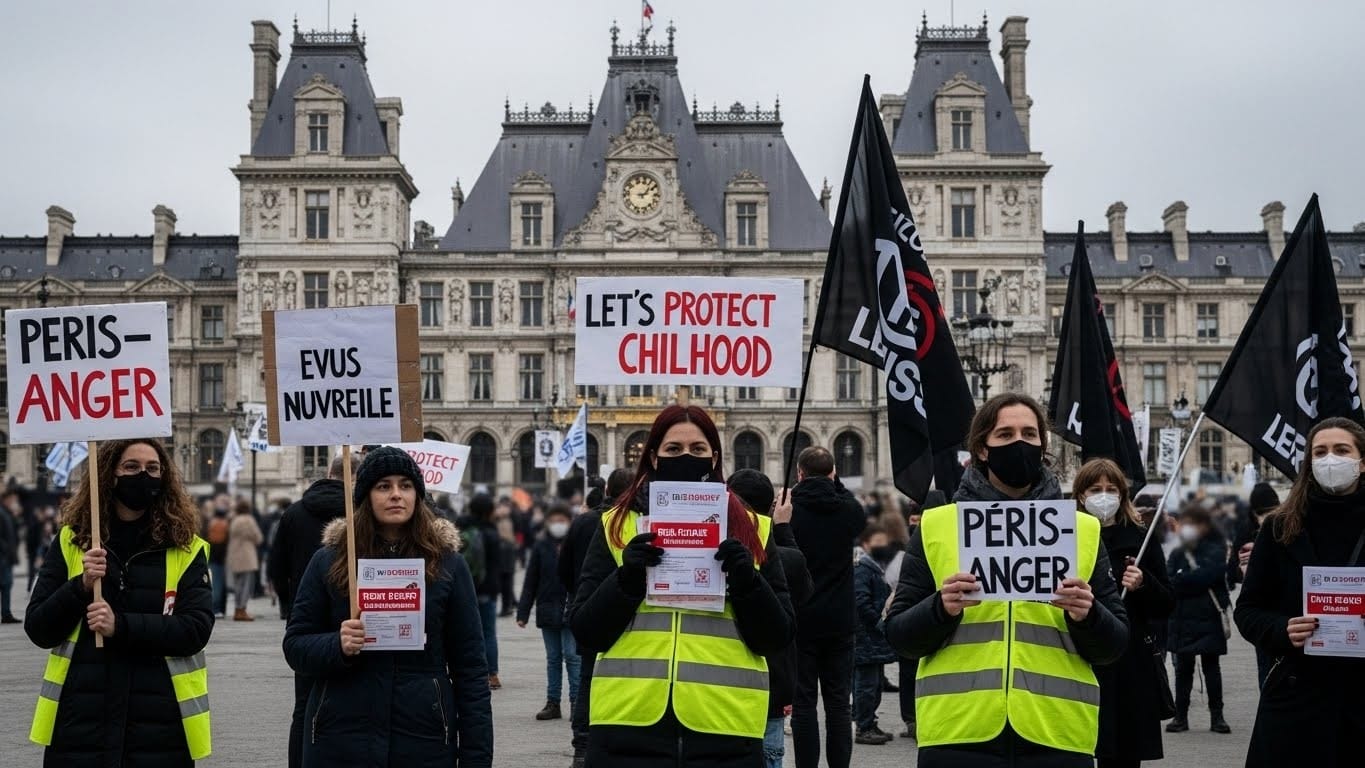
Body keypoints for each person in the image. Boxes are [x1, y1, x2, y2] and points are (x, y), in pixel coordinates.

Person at [885, 392, 1128, 768]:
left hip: (1056, 734)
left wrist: (1089, 615)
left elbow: (1114, 645)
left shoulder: (1082, 530)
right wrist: (940, 608)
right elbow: (899, 637)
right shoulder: (938, 525)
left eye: (1030, 434)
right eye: (1005, 434)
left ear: (1043, 446)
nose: (1019, 443)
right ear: (982, 449)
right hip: (958, 735)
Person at [571, 404, 794, 768]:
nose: (686, 457)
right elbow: (585, 631)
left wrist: (747, 582)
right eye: (673, 449)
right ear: (654, 457)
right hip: (628, 723)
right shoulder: (616, 525)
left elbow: (777, 636)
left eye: (697, 449)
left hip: (725, 725)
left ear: (714, 457)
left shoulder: (754, 527)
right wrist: (626, 579)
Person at [283, 446, 493, 767]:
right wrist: (337, 644)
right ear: (366, 496)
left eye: (405, 485)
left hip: (422, 738)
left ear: (417, 495)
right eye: (384, 486)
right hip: (340, 737)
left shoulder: (448, 564)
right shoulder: (330, 560)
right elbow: (296, 646)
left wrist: (476, 759)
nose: (396, 494)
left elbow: (471, 670)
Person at [25, 439, 214, 766]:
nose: (143, 475)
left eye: (152, 468)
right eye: (131, 467)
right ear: (109, 475)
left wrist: (120, 626)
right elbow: (39, 628)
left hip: (158, 724)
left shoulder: (185, 548)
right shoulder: (73, 540)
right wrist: (80, 586)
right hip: (81, 721)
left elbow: (195, 630)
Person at [1235, 417, 1365, 767]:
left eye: (1341, 450)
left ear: (1362, 461)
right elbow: (1247, 610)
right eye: (1320, 452)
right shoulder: (1279, 527)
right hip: (1297, 697)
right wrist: (1282, 628)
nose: (1330, 459)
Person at [1073, 458, 1174, 768]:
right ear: (1081, 495)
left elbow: (1167, 604)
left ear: (1122, 495)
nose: (1104, 496)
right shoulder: (1067, 537)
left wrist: (1144, 584)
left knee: (1123, 754)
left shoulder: (1141, 538)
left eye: (1111, 489)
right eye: (1095, 489)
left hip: (1129, 664)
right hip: (1079, 657)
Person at [265, 455, 350, 768]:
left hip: (305, 618)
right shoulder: (360, 511)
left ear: (328, 473)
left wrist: (291, 604)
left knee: (304, 704)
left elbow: (276, 566)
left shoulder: (294, 512)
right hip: (352, 618)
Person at [787, 445, 867, 768]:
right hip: (839, 619)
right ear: (834, 474)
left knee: (804, 703)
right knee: (838, 704)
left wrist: (794, 491)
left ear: (800, 474)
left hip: (802, 618)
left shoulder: (790, 510)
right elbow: (856, 511)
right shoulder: (848, 510)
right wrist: (834, 482)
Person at [728, 468, 813, 768]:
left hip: (726, 687)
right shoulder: (787, 558)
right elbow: (804, 589)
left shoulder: (718, 552)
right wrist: (782, 527)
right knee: (770, 755)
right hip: (773, 685)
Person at [559, 467, 634, 768]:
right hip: (626, 615)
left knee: (588, 678)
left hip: (588, 609)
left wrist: (578, 592)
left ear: (606, 491)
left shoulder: (584, 521)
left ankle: (582, 744)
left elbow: (563, 567)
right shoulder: (636, 522)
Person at [1164, 503, 1231, 735]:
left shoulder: (1215, 548)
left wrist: (1184, 578)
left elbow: (1207, 576)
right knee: (1183, 670)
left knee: (1211, 668)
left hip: (1208, 617)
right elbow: (1170, 582)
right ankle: (1180, 716)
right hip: (1182, 619)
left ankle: (1217, 716)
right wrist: (1187, 579)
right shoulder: (1178, 551)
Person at [516, 502, 581, 721]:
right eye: (553, 521)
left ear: (569, 522)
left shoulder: (576, 544)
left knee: (572, 656)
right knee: (553, 658)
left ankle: (576, 702)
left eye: (561, 520)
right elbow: (531, 580)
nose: (557, 524)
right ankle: (553, 703)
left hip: (571, 608)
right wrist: (523, 612)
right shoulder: (541, 545)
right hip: (547, 608)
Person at [1227, 481, 1280, 688]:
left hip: (1281, 609)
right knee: (1267, 668)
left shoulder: (1286, 525)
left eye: (1270, 511)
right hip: (1263, 611)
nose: (1266, 517)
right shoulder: (1246, 531)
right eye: (1262, 513)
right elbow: (1234, 570)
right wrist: (1244, 568)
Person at [852, 524, 898, 745]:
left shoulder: (879, 569)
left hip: (874, 639)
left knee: (876, 684)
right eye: (877, 543)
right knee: (867, 686)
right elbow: (861, 601)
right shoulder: (863, 569)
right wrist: (877, 621)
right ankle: (864, 726)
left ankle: (870, 721)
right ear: (866, 545)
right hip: (865, 637)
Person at [458, 493, 505, 690]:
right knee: (488, 632)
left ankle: (467, 671)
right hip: (487, 589)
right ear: (488, 511)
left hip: (464, 588)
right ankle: (492, 674)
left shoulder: (460, 528)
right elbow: (498, 564)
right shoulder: (491, 533)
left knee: (465, 632)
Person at [226, 500, 263, 622]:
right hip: (247, 556)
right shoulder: (248, 520)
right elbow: (258, 538)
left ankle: (237, 610)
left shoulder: (233, 519)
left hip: (234, 555)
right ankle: (242, 610)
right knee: (246, 584)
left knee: (238, 584)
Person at [203, 494, 231, 618]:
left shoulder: (211, 523)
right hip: (220, 557)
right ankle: (217, 609)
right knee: (218, 584)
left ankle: (216, 608)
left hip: (212, 555)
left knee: (215, 583)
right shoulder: (224, 524)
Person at [0, 495, 18, 624]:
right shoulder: (2, 513)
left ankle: (6, 613)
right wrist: (5, 550)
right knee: (6, 584)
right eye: (12, 500)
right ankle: (6, 614)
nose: (13, 503)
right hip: (3, 557)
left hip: (6, 556)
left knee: (6, 584)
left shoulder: (6, 513)